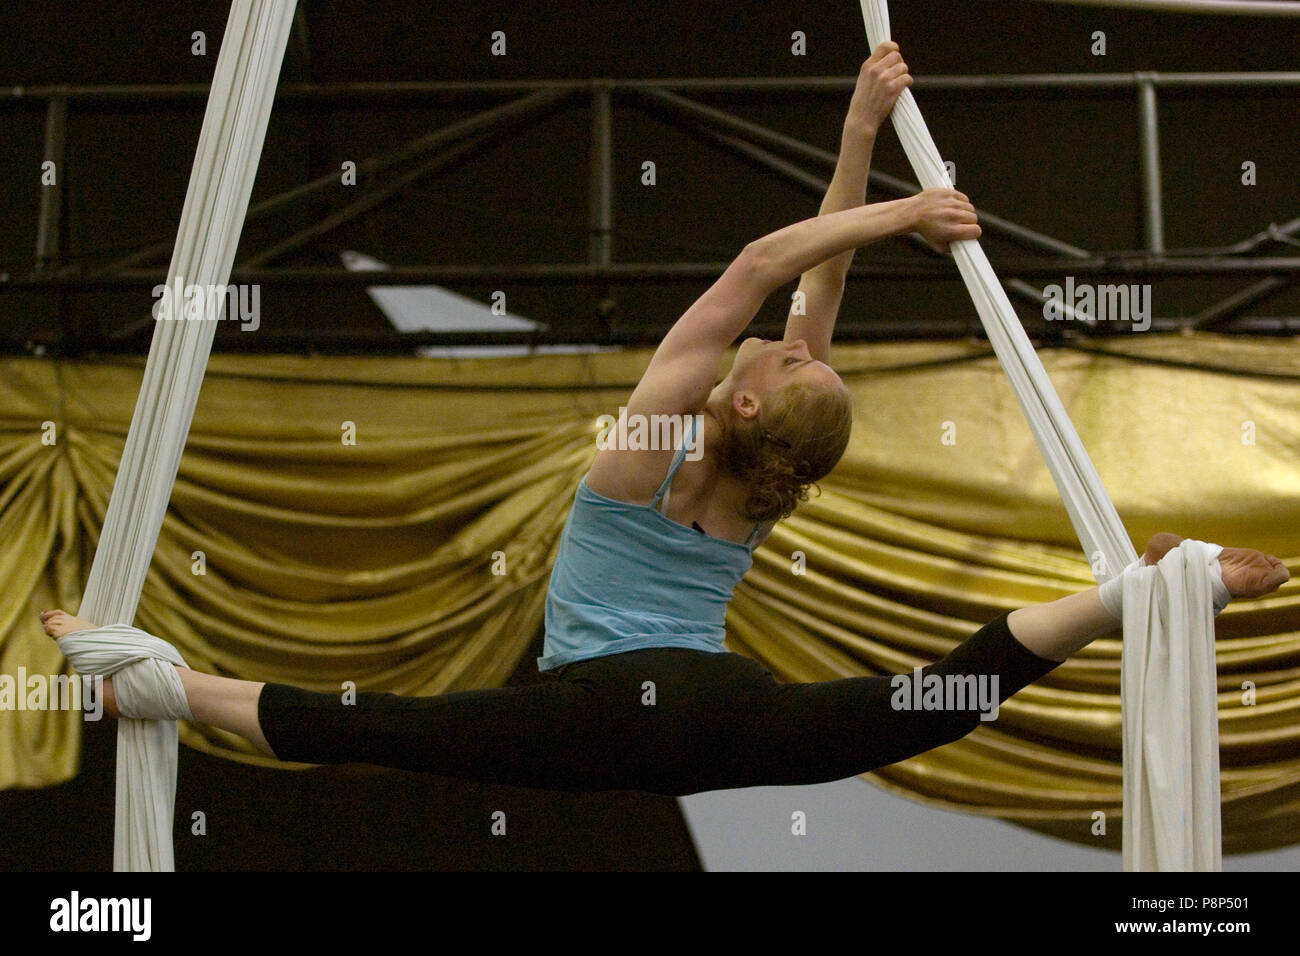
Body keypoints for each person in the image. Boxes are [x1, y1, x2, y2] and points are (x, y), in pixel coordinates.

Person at [41, 44, 1290, 796]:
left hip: (603, 710)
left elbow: (769, 268)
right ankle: (1141, 592)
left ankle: (145, 675)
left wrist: (901, 210)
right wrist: (857, 137)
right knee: (938, 694)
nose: (781, 340)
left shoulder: (634, 465)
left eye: (779, 358)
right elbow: (815, 299)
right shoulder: (766, 478)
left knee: (380, 726)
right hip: (720, 714)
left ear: (738, 397)